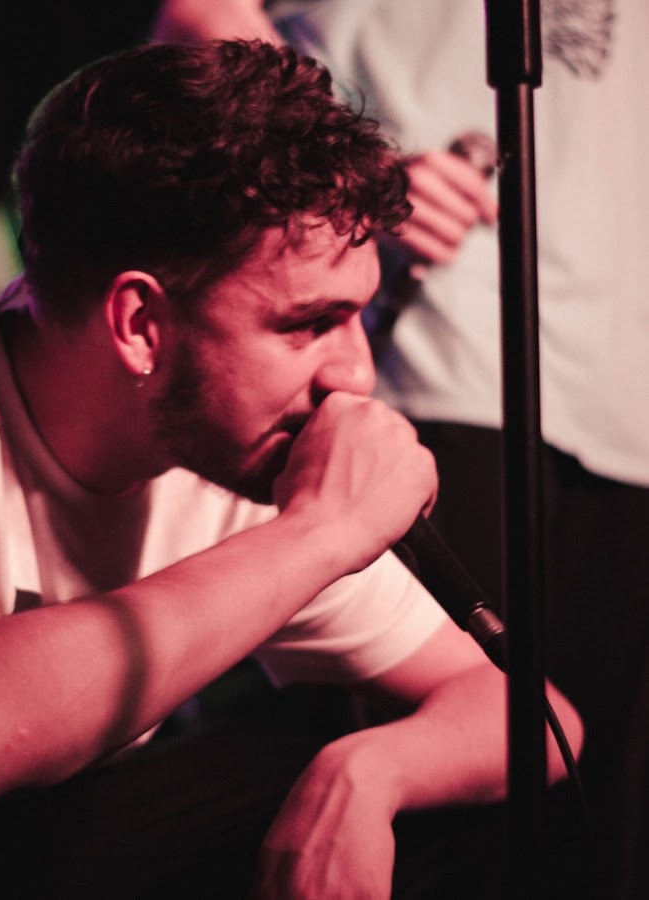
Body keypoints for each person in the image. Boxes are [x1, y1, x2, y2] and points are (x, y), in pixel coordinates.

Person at [0, 40, 580, 898]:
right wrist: (324, 532)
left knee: (414, 798)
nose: (356, 375)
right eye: (309, 324)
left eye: (356, 320)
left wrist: (371, 773)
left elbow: (537, 719)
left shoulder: (230, 450)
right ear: (140, 323)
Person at [152, 2, 649, 897]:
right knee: (449, 837)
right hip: (442, 359)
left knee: (597, 819)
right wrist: (351, 182)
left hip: (627, 402)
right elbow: (196, 14)